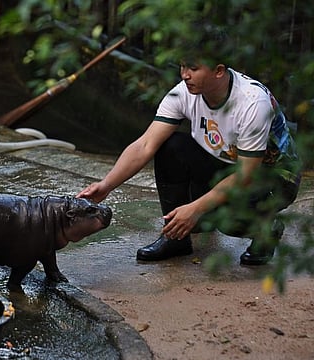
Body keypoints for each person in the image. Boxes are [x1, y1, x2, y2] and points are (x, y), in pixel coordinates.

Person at [76, 27, 301, 266]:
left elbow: (246, 175)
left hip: (273, 179)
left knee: (220, 218)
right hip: (226, 164)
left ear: (218, 71)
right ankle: (175, 238)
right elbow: (145, 144)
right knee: (171, 147)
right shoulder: (183, 93)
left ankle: (266, 229)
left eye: (193, 68)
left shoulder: (253, 103)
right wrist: (106, 185)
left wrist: (195, 208)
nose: (184, 75)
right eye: (182, 67)